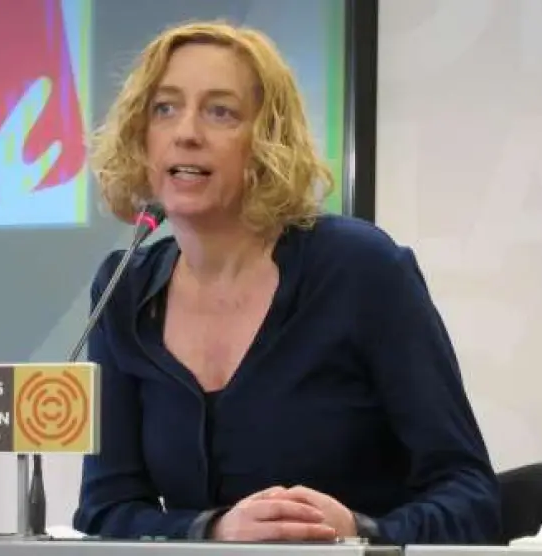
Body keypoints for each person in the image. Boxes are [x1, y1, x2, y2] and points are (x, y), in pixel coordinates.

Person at [72, 20, 502, 546]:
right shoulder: (124, 291)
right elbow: (106, 510)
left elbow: (471, 497)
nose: (186, 132)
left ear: (266, 141)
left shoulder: (360, 269)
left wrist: (359, 531)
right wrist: (213, 531)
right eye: (164, 108)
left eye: (220, 111)